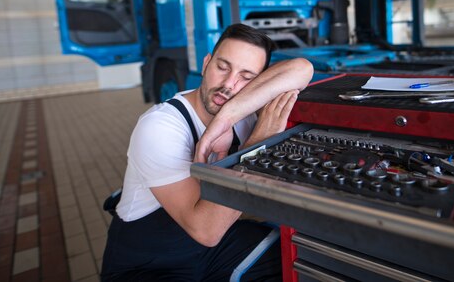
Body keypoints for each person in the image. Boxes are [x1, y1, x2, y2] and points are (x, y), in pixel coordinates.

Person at [101, 23, 314, 281]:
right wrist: (258, 144)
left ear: (259, 83)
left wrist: (226, 118)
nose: (229, 84)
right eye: (222, 67)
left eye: (246, 77)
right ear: (206, 64)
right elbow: (205, 230)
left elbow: (303, 68)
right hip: (148, 263)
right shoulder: (160, 126)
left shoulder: (242, 114)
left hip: (215, 248)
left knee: (297, 258)